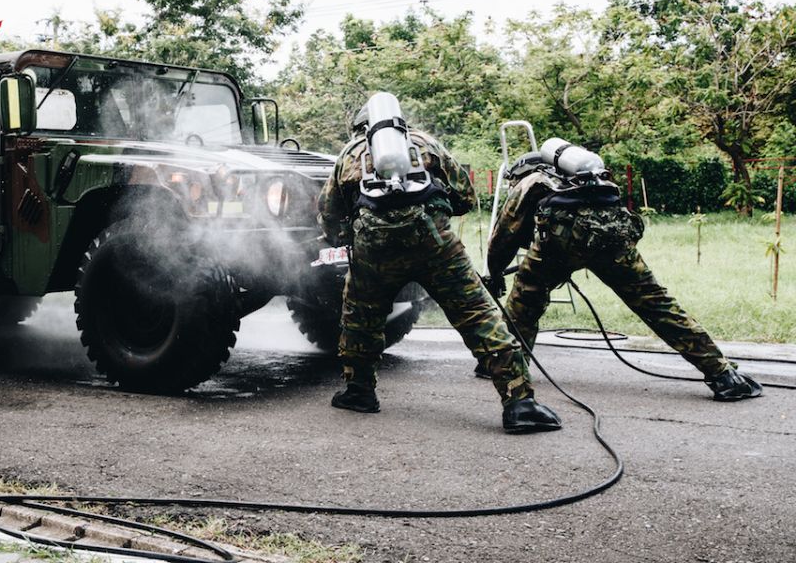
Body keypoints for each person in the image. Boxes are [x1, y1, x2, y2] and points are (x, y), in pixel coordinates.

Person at [317, 96, 562, 433]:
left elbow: (329, 214)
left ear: (362, 126)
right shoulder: (426, 144)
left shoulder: (348, 154)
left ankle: (359, 393)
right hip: (435, 244)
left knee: (361, 318)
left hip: (374, 249)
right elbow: (465, 196)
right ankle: (520, 403)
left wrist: (348, 238)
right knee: (477, 313)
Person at [484, 140, 762, 402]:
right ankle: (723, 374)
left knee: (525, 300)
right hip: (612, 238)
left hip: (561, 243)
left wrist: (495, 274)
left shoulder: (530, 181)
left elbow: (504, 237)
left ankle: (505, 368)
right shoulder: (587, 178)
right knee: (656, 303)